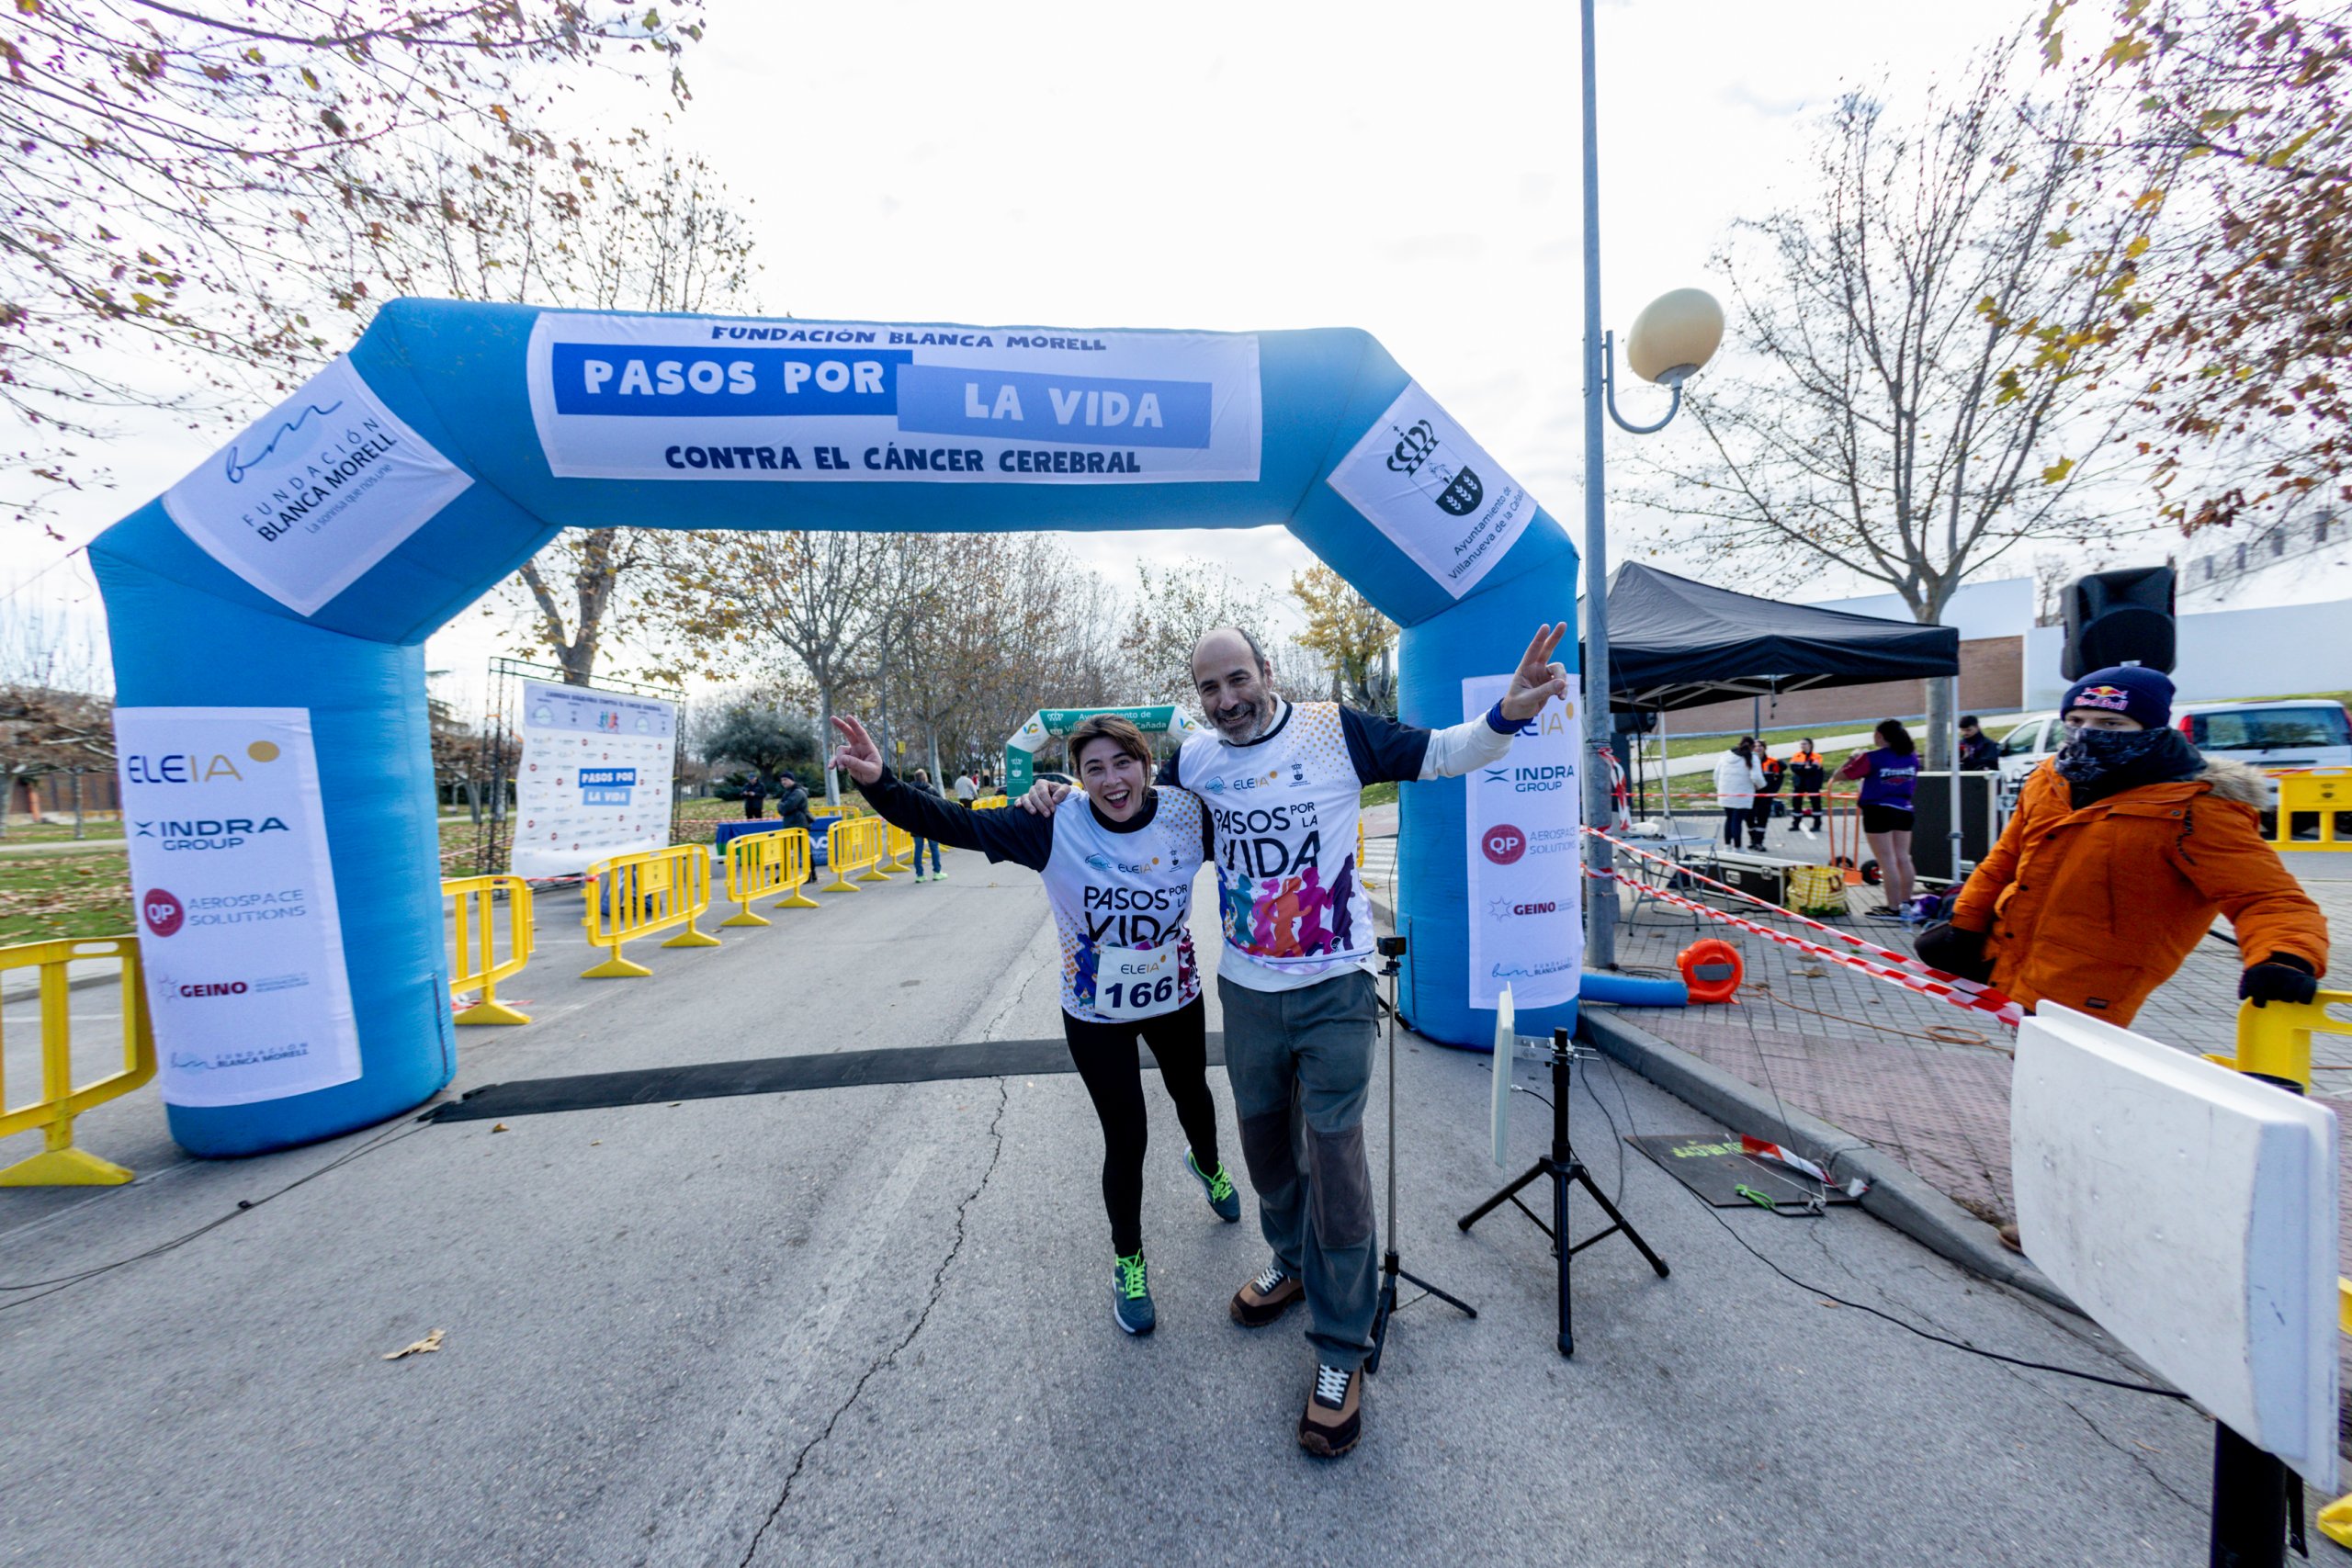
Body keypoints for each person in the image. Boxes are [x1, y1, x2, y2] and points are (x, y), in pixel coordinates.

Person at [1022, 622, 1570, 1459]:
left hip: (1334, 984)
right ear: (1197, 697)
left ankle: (1340, 1347)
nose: (1227, 699)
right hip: (1245, 988)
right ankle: (1290, 1257)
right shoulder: (1196, 759)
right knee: (1265, 1144)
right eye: (1210, 688)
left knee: (1336, 1152)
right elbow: (1136, 813)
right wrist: (1059, 798)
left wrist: (1508, 715)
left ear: (1266, 671)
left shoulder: (1332, 729)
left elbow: (1446, 753)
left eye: (1238, 678)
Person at [829, 712, 1240, 1337]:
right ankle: (1128, 1259)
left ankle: (1208, 1164)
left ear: (1146, 764)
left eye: (1123, 762)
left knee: (1194, 1098)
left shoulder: (1188, 814)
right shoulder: (1051, 823)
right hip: (1094, 1011)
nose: (1112, 780)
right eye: (1093, 769)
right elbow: (954, 823)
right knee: (1126, 1136)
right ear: (1075, 779)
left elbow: (1261, 821)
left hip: (1174, 997)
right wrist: (881, 782)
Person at [1919, 666, 2327, 1027]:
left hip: (2094, 989)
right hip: (2015, 966)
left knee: (2070, 1094)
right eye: (2075, 720)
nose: (2087, 734)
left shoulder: (2194, 809)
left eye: (2110, 724)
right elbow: (2004, 861)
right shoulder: (2050, 779)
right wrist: (1964, 928)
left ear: (2150, 730)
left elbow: (2268, 897)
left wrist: (2284, 957)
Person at [1838, 720, 1920, 919]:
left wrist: (1852, 758)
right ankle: (1906, 903)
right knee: (1903, 857)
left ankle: (1892, 908)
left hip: (1878, 810)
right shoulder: (1911, 757)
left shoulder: (1872, 758)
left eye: (1875, 734)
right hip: (1904, 808)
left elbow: (1841, 776)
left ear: (1881, 736)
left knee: (1887, 861)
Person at [1712, 737, 1764, 849]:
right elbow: (1756, 777)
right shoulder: (1752, 757)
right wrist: (1761, 786)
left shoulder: (1725, 755)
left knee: (1729, 819)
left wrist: (1719, 789)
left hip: (1725, 793)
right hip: (1742, 794)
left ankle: (1727, 846)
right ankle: (1738, 847)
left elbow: (1716, 774)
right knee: (1737, 821)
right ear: (1752, 747)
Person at [906, 767, 946, 882]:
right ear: (925, 778)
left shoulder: (909, 791)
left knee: (918, 850)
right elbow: (941, 804)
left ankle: (919, 875)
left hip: (916, 825)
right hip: (931, 824)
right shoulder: (931, 790)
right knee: (934, 848)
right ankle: (937, 872)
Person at [1787, 739, 1827, 834]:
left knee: (1816, 804)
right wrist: (1805, 768)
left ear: (1810, 745)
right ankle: (1796, 824)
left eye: (1804, 744)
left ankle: (1817, 825)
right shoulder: (1796, 756)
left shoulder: (1817, 756)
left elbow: (1814, 769)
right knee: (1796, 803)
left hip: (1813, 783)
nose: (1802, 746)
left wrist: (1804, 769)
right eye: (1801, 744)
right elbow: (1793, 768)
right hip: (1799, 783)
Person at [1752, 743, 1785, 850]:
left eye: (1760, 746)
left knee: (1762, 818)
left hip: (1766, 796)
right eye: (1755, 746)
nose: (1758, 748)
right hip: (1751, 795)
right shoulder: (1749, 761)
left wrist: (1773, 791)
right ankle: (1753, 840)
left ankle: (1758, 842)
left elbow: (1779, 777)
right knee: (1749, 818)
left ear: (1765, 748)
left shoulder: (1772, 762)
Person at [773, 771, 812, 835]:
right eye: (782, 780)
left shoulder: (797, 792)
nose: (783, 782)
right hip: (791, 824)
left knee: (799, 845)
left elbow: (786, 807)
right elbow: (783, 808)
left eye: (785, 779)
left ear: (792, 780)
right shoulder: (788, 792)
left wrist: (780, 805)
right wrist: (781, 806)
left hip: (798, 825)